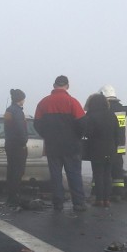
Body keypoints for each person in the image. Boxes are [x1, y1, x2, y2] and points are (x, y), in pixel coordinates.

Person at [34, 75, 87, 212]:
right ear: (67, 86)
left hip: (53, 146)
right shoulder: (73, 102)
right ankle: (79, 203)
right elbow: (82, 123)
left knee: (56, 175)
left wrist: (47, 136)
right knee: (74, 174)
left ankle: (58, 203)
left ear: (54, 85)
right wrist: (77, 136)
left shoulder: (43, 103)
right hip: (71, 146)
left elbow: (37, 123)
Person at [80, 93, 119, 207]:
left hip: (96, 149)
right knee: (107, 175)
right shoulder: (112, 115)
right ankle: (107, 200)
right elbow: (117, 133)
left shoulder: (91, 116)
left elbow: (88, 132)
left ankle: (99, 200)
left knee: (98, 174)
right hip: (111, 149)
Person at [99, 85, 127, 201]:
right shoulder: (122, 109)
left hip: (107, 145)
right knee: (117, 171)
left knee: (102, 169)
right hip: (120, 146)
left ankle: (98, 192)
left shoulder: (106, 109)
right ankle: (118, 194)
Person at [3, 88, 28, 206]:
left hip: (9, 143)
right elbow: (20, 128)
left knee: (11, 169)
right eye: (23, 99)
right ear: (21, 99)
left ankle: (11, 196)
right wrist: (24, 141)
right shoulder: (17, 111)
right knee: (18, 170)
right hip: (18, 144)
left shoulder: (8, 110)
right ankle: (14, 196)